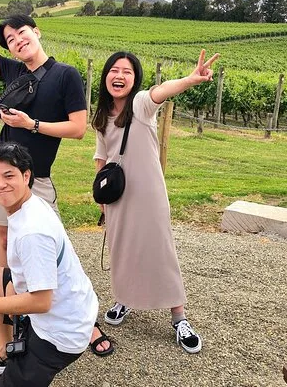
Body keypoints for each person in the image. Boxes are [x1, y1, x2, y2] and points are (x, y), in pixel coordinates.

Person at [0, 0, 111, 355]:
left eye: (20, 33)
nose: (16, 41)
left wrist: (32, 124)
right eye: (10, 39)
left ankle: (85, 321)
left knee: (54, 245)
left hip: (36, 177)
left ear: (36, 32)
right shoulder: (14, 72)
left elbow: (77, 129)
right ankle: (14, 303)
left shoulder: (65, 75)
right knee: (5, 237)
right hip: (4, 173)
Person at [91, 49, 219, 354]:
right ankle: (125, 299)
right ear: (105, 76)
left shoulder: (140, 104)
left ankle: (179, 317)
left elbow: (161, 91)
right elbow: (101, 157)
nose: (119, 76)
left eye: (127, 71)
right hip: (117, 195)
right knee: (122, 249)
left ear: (135, 79)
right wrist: (100, 196)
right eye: (114, 70)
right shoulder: (102, 116)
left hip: (149, 194)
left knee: (161, 251)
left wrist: (190, 80)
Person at [0, 142, 103, 386]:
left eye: (9, 176)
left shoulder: (32, 232)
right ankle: (6, 349)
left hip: (60, 334)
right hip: (74, 308)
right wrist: (8, 293)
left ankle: (28, 352)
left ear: (26, 176)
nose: (0, 184)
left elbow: (41, 302)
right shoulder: (30, 205)